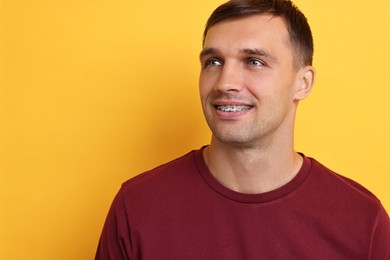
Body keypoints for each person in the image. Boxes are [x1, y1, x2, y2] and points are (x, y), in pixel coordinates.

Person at [96, 0, 390, 259]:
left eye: (254, 61)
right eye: (213, 62)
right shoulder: (137, 207)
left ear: (303, 83)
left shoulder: (363, 221)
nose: (225, 82)